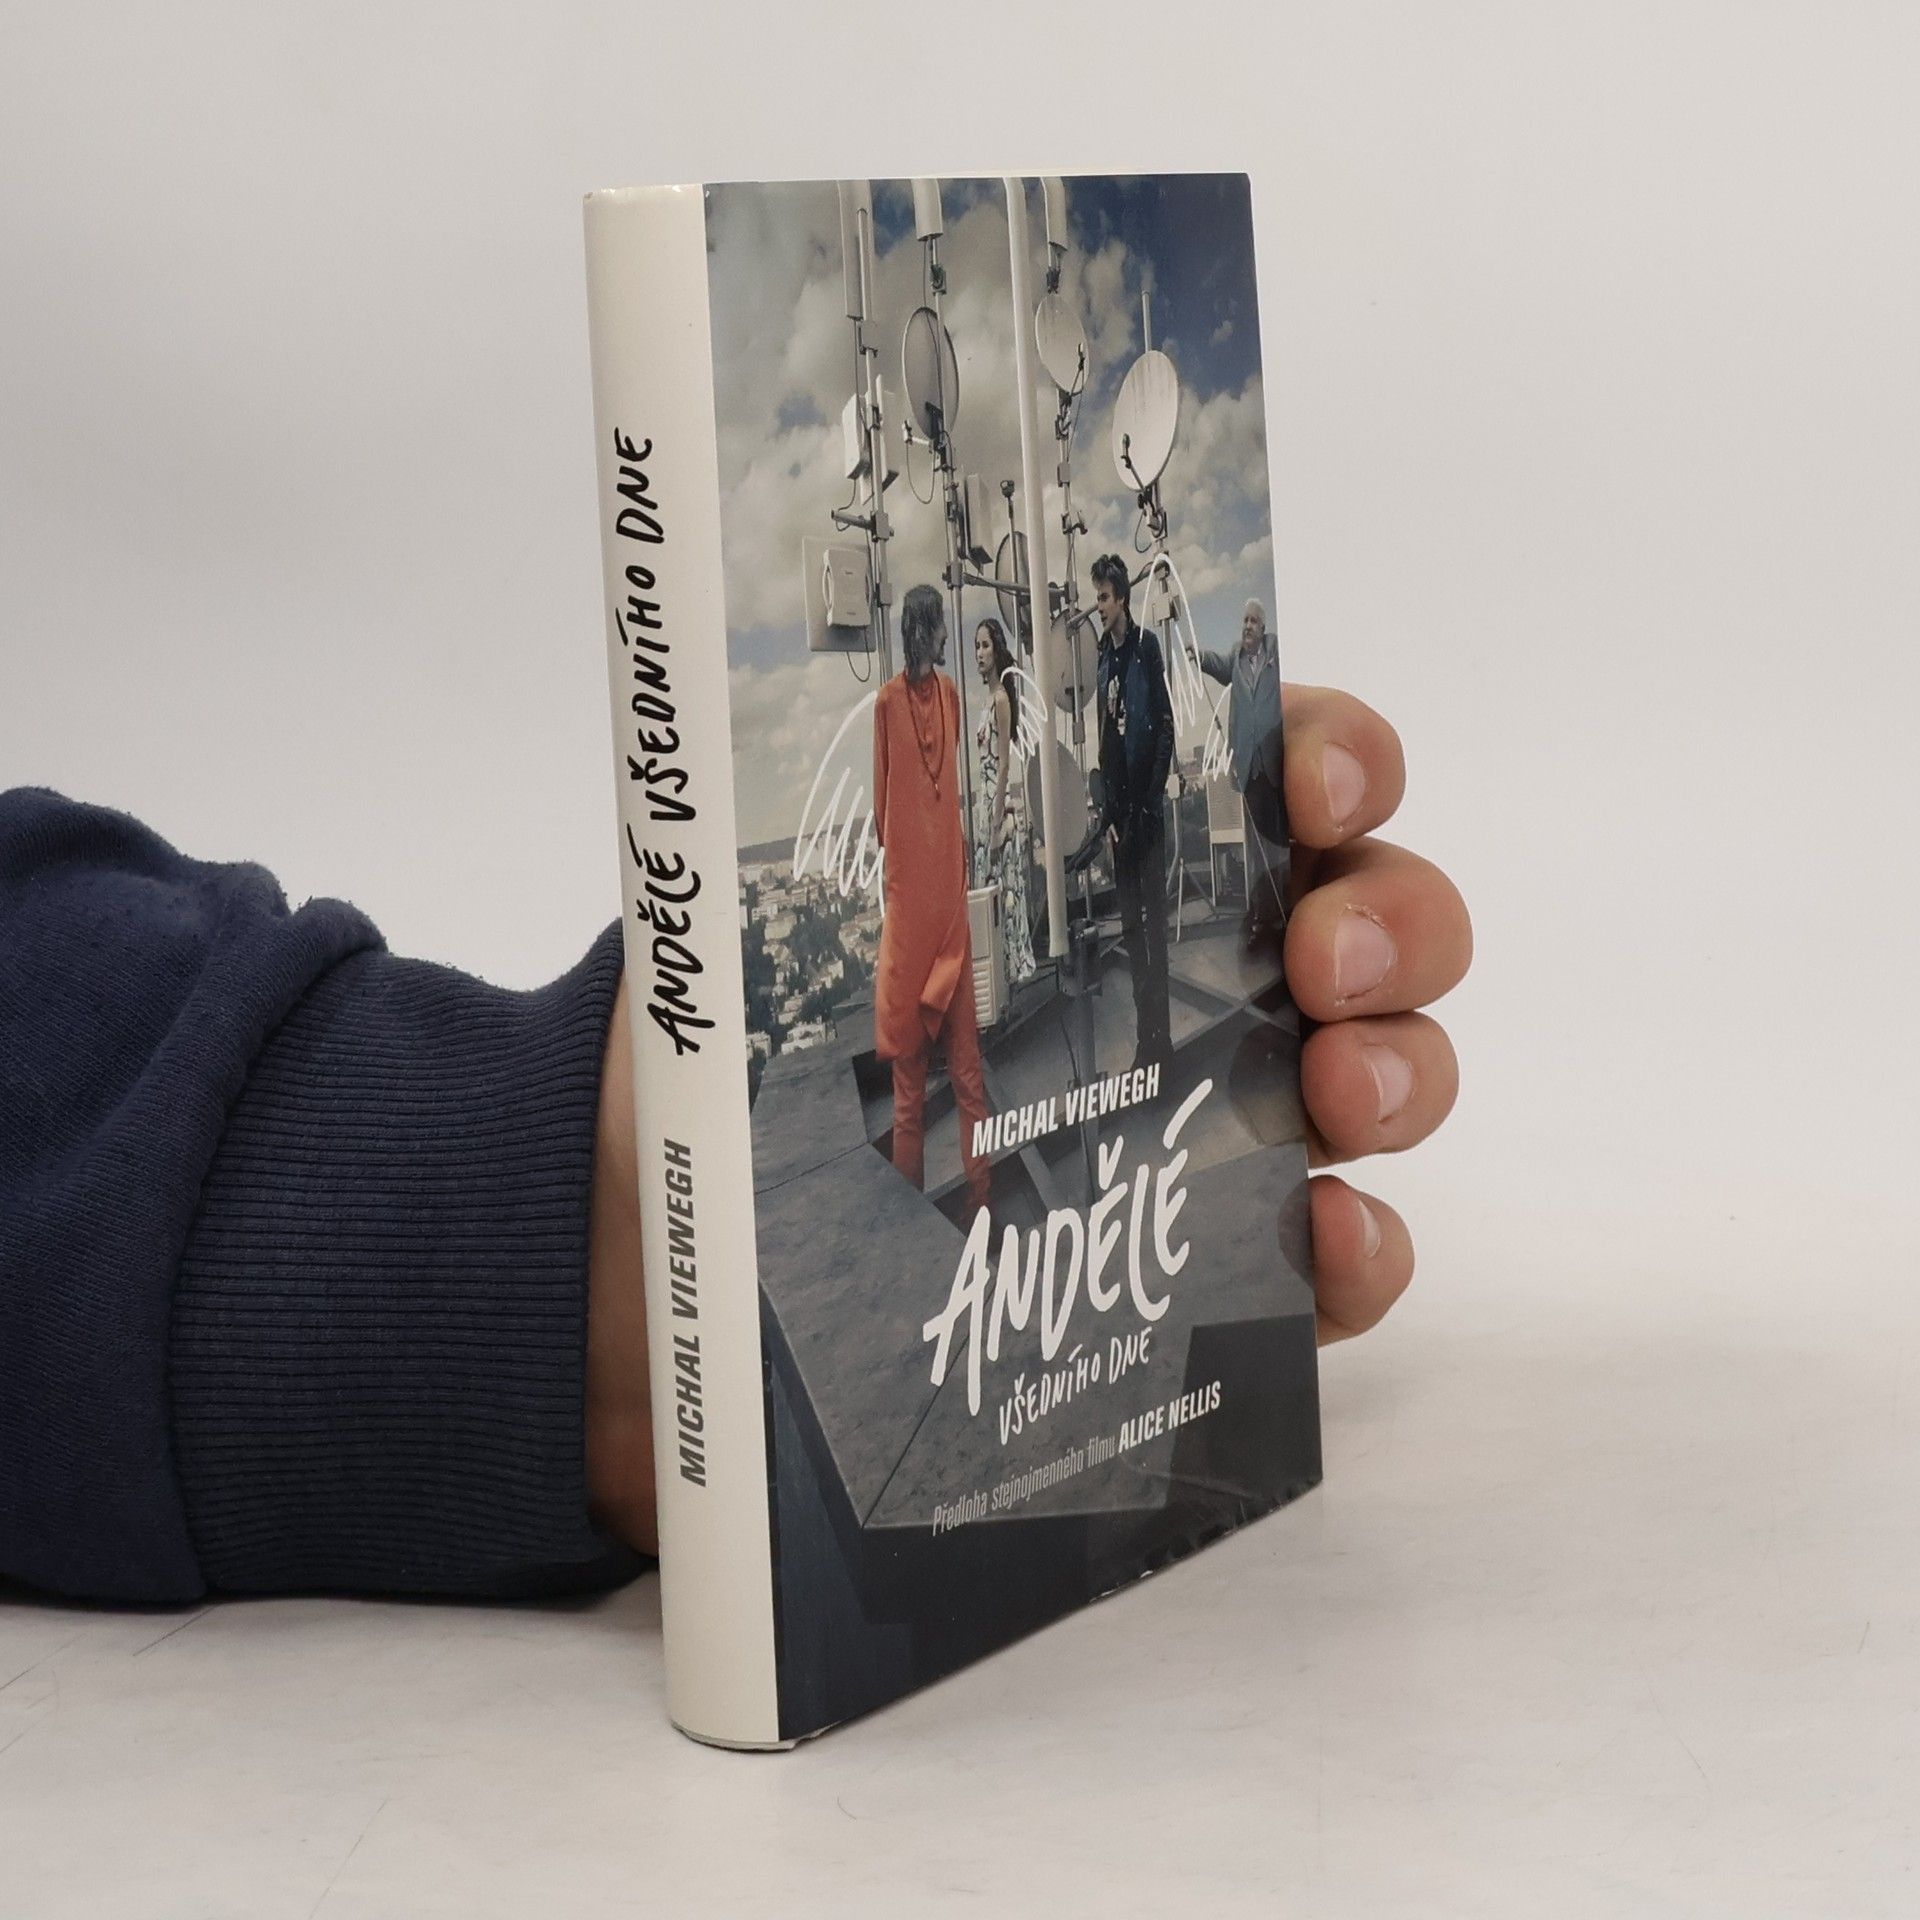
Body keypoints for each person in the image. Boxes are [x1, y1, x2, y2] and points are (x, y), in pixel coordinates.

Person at [0, 671, 1466, 1607]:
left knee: (963, 1078)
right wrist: (556, 1241)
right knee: (936, 1077)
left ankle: (940, 1205)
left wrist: (563, 1198)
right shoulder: (909, 732)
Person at [871, 585, 993, 1216]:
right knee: (959, 1081)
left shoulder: (931, 696)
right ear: (924, 631)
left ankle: (935, 1221)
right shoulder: (897, 701)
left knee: (916, 1095)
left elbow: (880, 816)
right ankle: (980, 1207)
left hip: (925, 921)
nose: (949, 636)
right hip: (937, 920)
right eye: (942, 627)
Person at [1070, 552, 1177, 1073]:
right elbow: (1106, 745)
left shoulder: (1145, 648)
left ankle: (1163, 1043)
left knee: (1155, 934)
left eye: (1104, 597)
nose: (1099, 606)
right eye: (1096, 598)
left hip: (1147, 818)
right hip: (1122, 824)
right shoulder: (1104, 661)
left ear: (1122, 599)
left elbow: (1164, 727)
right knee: (1133, 934)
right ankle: (1144, 1043)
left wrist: (1150, 800)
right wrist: (1110, 815)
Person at [1199, 595, 1289, 942]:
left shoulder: (1276, 653)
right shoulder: (1236, 658)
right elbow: (1217, 664)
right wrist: (1198, 655)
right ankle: (1263, 915)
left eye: (1253, 621)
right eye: (1244, 621)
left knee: (1279, 842)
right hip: (1249, 766)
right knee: (1256, 846)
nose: (1247, 626)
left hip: (1276, 763)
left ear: (1263, 627)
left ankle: (1280, 910)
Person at [970, 615, 1037, 989]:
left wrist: (996, 826)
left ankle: (1013, 977)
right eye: (976, 647)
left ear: (996, 650)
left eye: (985, 645)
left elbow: (1005, 765)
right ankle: (1000, 981)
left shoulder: (1000, 700)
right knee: (993, 899)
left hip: (999, 812)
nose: (979, 653)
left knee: (1006, 899)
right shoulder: (987, 701)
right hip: (986, 810)